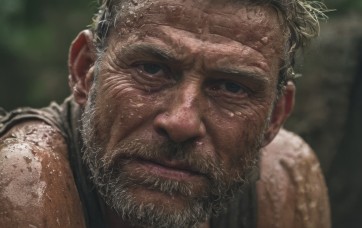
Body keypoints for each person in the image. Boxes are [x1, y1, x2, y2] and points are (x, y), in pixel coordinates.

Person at [0, 0, 330, 227]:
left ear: (275, 115)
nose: (182, 123)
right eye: (152, 69)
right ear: (86, 70)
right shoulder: (25, 183)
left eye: (231, 88)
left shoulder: (284, 180)